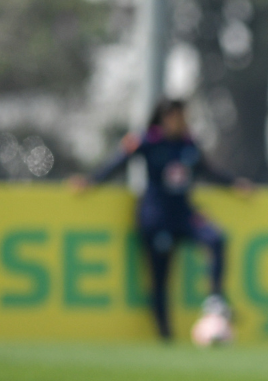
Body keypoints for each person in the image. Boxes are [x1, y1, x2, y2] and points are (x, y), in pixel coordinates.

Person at [72, 99, 250, 341]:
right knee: (160, 277)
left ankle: (215, 300)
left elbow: (208, 171)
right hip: (156, 217)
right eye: (176, 116)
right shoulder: (148, 141)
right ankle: (165, 335)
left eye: (183, 116)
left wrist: (233, 184)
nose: (181, 121)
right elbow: (118, 163)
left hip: (184, 214)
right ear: (165, 117)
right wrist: (91, 181)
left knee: (216, 238)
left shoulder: (189, 144)